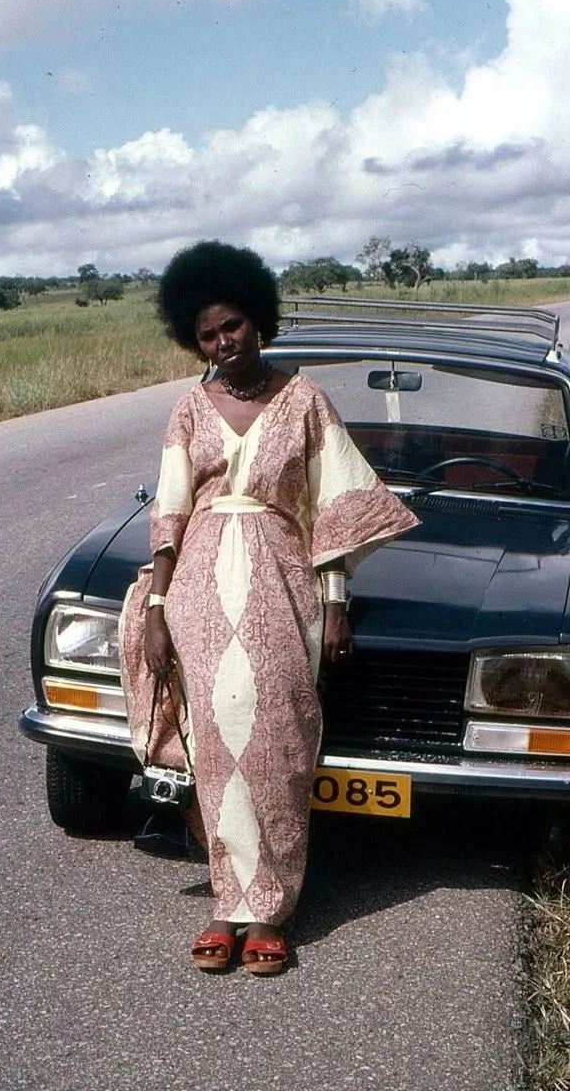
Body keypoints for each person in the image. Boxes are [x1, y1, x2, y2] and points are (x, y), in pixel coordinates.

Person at [120, 241, 419, 976]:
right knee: (216, 742)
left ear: (260, 320)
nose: (225, 343)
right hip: (197, 585)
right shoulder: (189, 409)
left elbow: (336, 509)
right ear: (197, 343)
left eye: (234, 326)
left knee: (280, 741)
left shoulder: (306, 400)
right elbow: (170, 512)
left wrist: (337, 600)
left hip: (284, 583)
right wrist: (157, 605)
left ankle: (273, 912)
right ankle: (227, 905)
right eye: (209, 335)